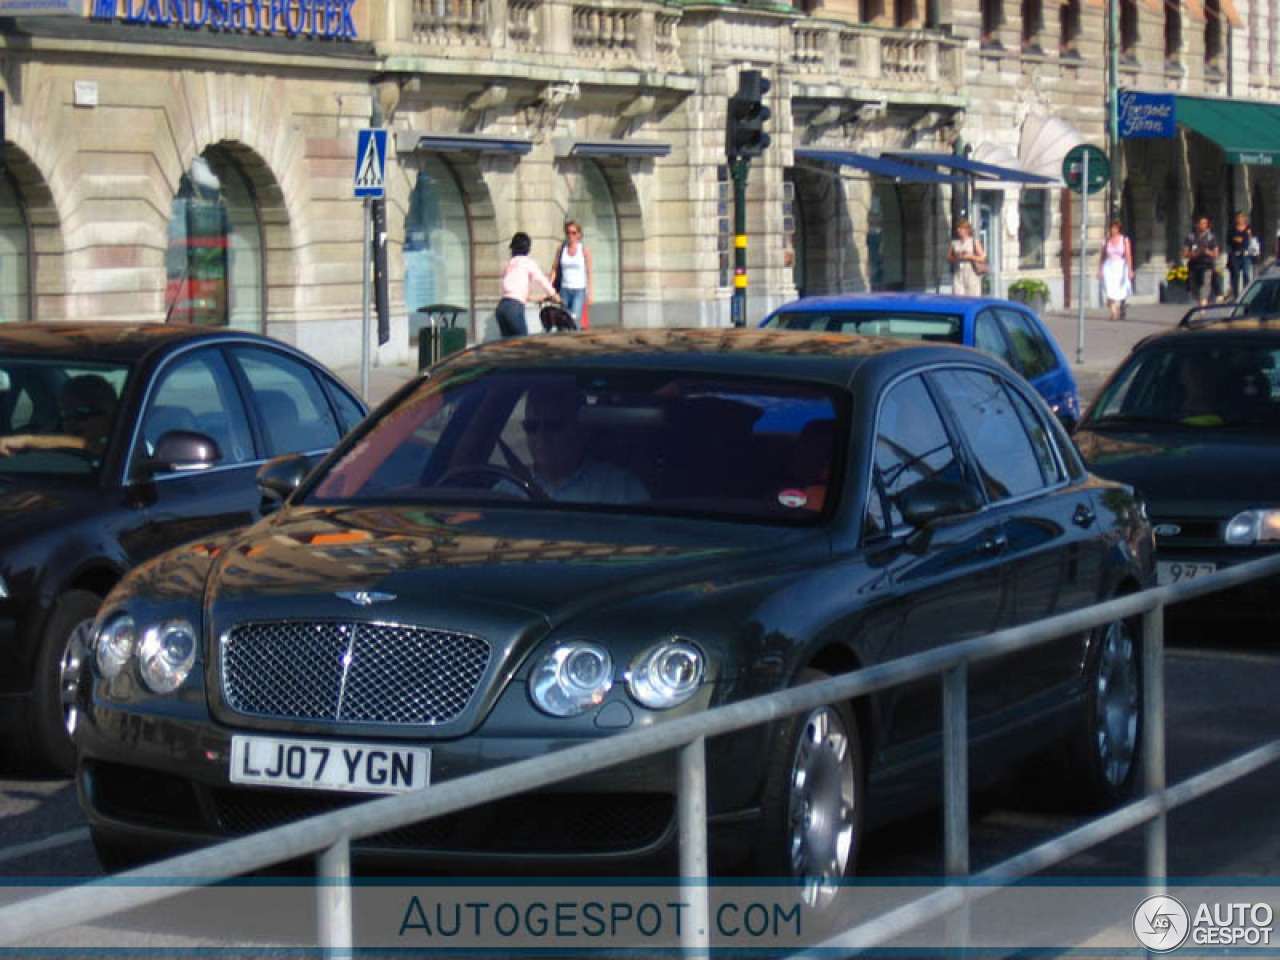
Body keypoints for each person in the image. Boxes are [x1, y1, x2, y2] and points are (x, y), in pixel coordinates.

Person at [516, 384, 647, 503]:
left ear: (582, 431)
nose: (541, 435)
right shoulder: (509, 487)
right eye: (531, 426)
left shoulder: (620, 489)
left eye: (553, 425)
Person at [0, 373, 118, 458]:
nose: (72, 422)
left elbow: (98, 449)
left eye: (82, 413)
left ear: (109, 413)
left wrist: (28, 441)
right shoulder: (48, 435)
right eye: (66, 415)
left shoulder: (127, 443)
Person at [496, 232, 560, 338]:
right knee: (523, 342)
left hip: (502, 306)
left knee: (508, 345)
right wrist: (554, 295)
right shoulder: (528, 263)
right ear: (528, 248)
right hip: (514, 308)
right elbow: (541, 279)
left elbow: (513, 289)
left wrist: (535, 299)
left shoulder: (510, 263)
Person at [549, 220, 593, 329]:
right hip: (565, 289)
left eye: (574, 233)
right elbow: (554, 268)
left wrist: (591, 293)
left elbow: (589, 272)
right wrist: (550, 287)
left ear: (579, 235)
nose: (571, 235)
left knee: (574, 319)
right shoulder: (561, 249)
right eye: (568, 232)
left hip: (579, 290)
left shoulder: (584, 250)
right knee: (562, 321)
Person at [1097, 219, 1134, 321]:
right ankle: (1113, 312)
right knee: (1109, 288)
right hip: (1109, 266)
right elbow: (1102, 256)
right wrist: (1100, 269)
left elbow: (1128, 255)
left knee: (1120, 289)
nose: (1112, 230)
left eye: (1114, 228)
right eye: (1111, 228)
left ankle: (1122, 305)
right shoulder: (1106, 241)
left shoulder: (1124, 240)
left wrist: (1130, 269)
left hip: (1120, 266)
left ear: (1118, 229)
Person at [1182, 215, 1221, 308]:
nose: (1203, 225)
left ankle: (1203, 306)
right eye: (1201, 223)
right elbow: (1185, 253)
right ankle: (1200, 302)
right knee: (1194, 287)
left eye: (1205, 223)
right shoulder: (1191, 237)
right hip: (1194, 265)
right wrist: (1195, 253)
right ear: (1197, 224)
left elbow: (1216, 254)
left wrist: (1207, 251)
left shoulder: (1211, 237)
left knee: (1205, 284)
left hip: (1206, 264)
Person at [947, 219, 986, 297]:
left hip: (972, 274)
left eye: (961, 228)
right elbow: (948, 258)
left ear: (966, 230)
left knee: (972, 298)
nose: (958, 230)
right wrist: (957, 258)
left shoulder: (974, 242)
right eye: (957, 228)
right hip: (959, 275)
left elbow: (983, 258)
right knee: (958, 298)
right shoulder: (954, 243)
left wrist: (970, 256)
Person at [1227, 211, 1257, 300]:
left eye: (1241, 217)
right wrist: (1234, 239)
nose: (1240, 219)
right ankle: (1236, 295)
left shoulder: (1248, 228)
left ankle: (1247, 294)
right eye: (1238, 218)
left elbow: (1252, 240)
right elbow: (1228, 240)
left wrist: (1247, 236)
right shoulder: (1232, 229)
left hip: (1245, 254)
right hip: (1235, 254)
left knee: (1247, 274)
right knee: (1235, 274)